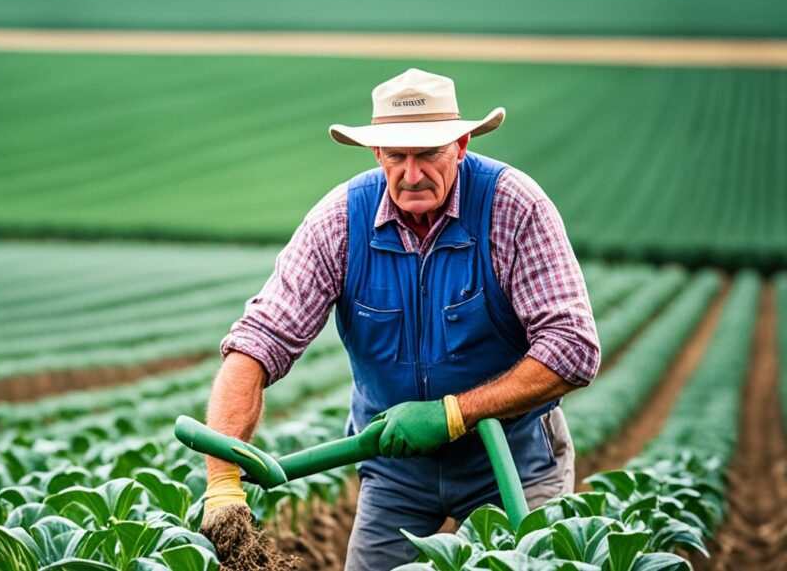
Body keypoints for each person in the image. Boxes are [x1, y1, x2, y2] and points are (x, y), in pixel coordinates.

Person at [200, 68, 601, 570]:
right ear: (376, 154)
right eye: (397, 155)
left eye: (428, 153)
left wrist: (454, 414)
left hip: (511, 462)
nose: (411, 174)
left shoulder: (513, 207)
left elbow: (573, 347)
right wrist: (221, 483)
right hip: (396, 470)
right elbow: (258, 342)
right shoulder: (341, 221)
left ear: (460, 144)